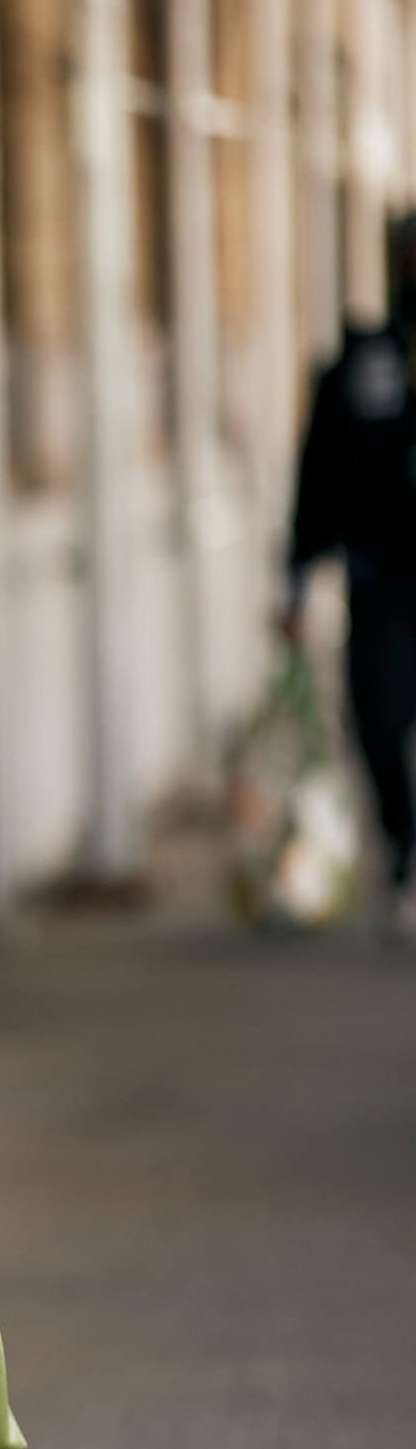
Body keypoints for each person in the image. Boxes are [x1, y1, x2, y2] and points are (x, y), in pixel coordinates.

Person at [283, 211, 416, 939]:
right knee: (380, 719)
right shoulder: (362, 367)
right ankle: (403, 848)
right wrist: (296, 577)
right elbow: (317, 474)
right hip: (381, 584)